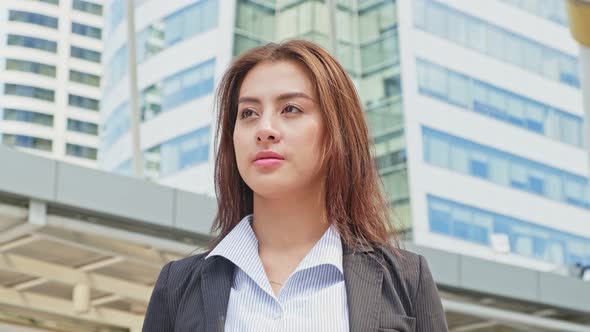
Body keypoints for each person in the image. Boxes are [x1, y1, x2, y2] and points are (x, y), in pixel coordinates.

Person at [142, 39, 448, 332]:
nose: (264, 130)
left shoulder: (407, 281)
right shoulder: (178, 287)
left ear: (335, 132)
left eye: (291, 109)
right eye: (248, 113)